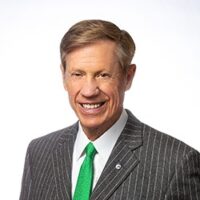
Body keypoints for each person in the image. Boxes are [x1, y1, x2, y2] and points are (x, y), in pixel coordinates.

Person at [19, 19, 200, 200]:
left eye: (103, 75)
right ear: (64, 77)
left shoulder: (177, 163)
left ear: (128, 77)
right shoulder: (39, 152)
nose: (89, 91)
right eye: (78, 74)